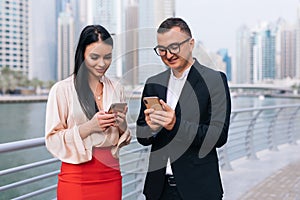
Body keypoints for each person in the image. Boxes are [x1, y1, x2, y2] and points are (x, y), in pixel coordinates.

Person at [136, 17, 231, 200]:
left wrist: (175, 124)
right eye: (162, 50)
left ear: (191, 43)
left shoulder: (215, 81)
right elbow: (142, 136)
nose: (168, 55)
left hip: (199, 189)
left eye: (174, 47)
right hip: (158, 189)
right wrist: (151, 129)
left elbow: (218, 136)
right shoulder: (153, 84)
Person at [45, 25, 131, 200]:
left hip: (111, 174)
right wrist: (90, 127)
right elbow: (52, 140)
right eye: (94, 57)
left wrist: (122, 125)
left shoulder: (117, 88)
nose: (102, 64)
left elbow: (123, 137)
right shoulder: (62, 90)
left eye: (107, 57)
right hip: (76, 177)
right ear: (82, 54)